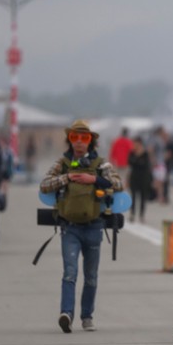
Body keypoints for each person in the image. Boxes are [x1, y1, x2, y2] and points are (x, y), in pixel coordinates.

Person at [40, 120, 123, 333]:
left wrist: (93, 179)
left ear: (90, 141)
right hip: (70, 228)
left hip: (94, 227)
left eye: (84, 137)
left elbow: (118, 183)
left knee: (91, 276)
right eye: (74, 137)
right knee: (70, 272)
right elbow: (45, 184)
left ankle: (87, 317)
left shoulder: (101, 164)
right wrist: (67, 177)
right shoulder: (63, 163)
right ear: (69, 140)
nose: (79, 141)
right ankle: (66, 314)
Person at [126, 137, 153, 223]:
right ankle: (132, 214)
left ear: (140, 144)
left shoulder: (145, 153)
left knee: (143, 197)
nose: (135, 145)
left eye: (136, 144)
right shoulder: (132, 153)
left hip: (144, 177)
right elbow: (130, 162)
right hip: (134, 177)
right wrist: (137, 158)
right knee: (133, 196)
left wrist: (137, 160)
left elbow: (145, 164)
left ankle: (141, 215)